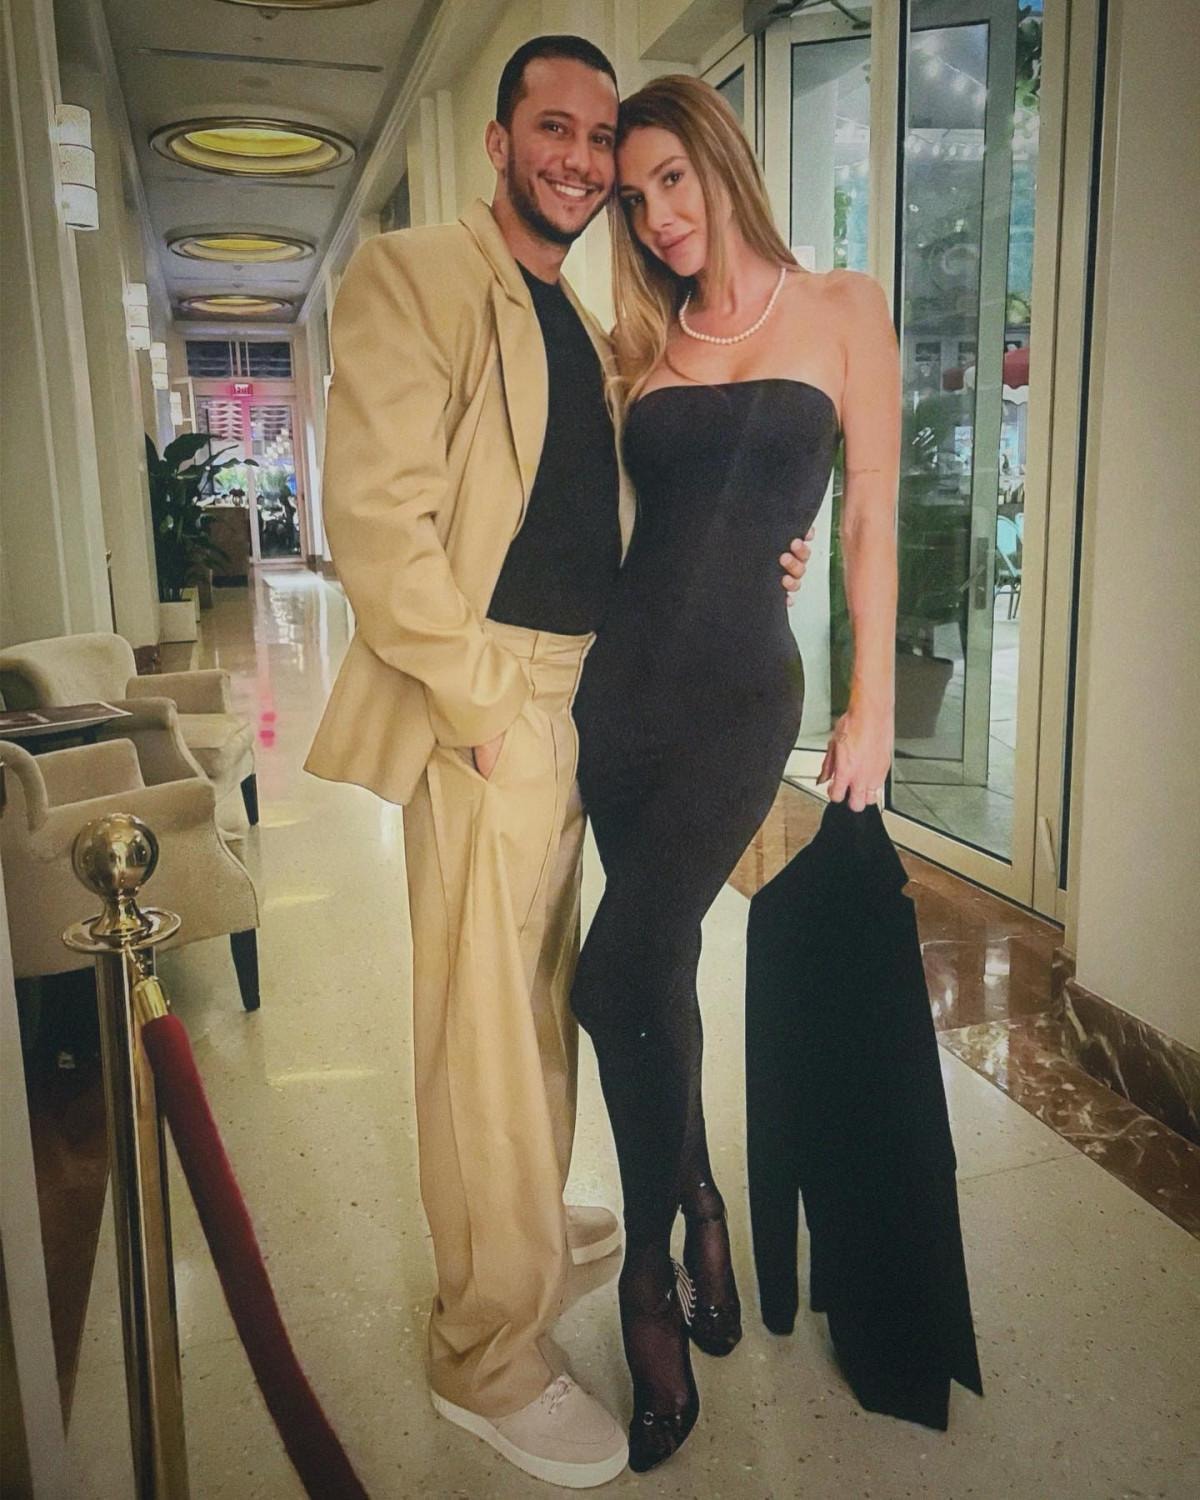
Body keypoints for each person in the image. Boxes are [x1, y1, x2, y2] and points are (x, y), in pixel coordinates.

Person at [305, 37, 814, 1490]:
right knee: (483, 1023)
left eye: (602, 141)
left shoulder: (586, 323)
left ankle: (525, 1225)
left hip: (593, 694)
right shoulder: (414, 276)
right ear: (499, 140)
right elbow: (378, 521)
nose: (583, 162)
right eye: (556, 130)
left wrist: (767, 552)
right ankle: (487, 1351)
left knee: (542, 991)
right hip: (493, 694)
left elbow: (651, 501)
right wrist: (477, 704)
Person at [569, 75, 900, 1473]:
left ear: (721, 160)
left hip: (742, 702)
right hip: (620, 700)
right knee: (654, 978)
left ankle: (648, 1277)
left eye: (672, 180)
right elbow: (614, 523)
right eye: (634, 198)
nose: (657, 215)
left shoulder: (844, 306)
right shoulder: (638, 344)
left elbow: (870, 512)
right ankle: (701, 1201)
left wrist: (874, 703)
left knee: (609, 975)